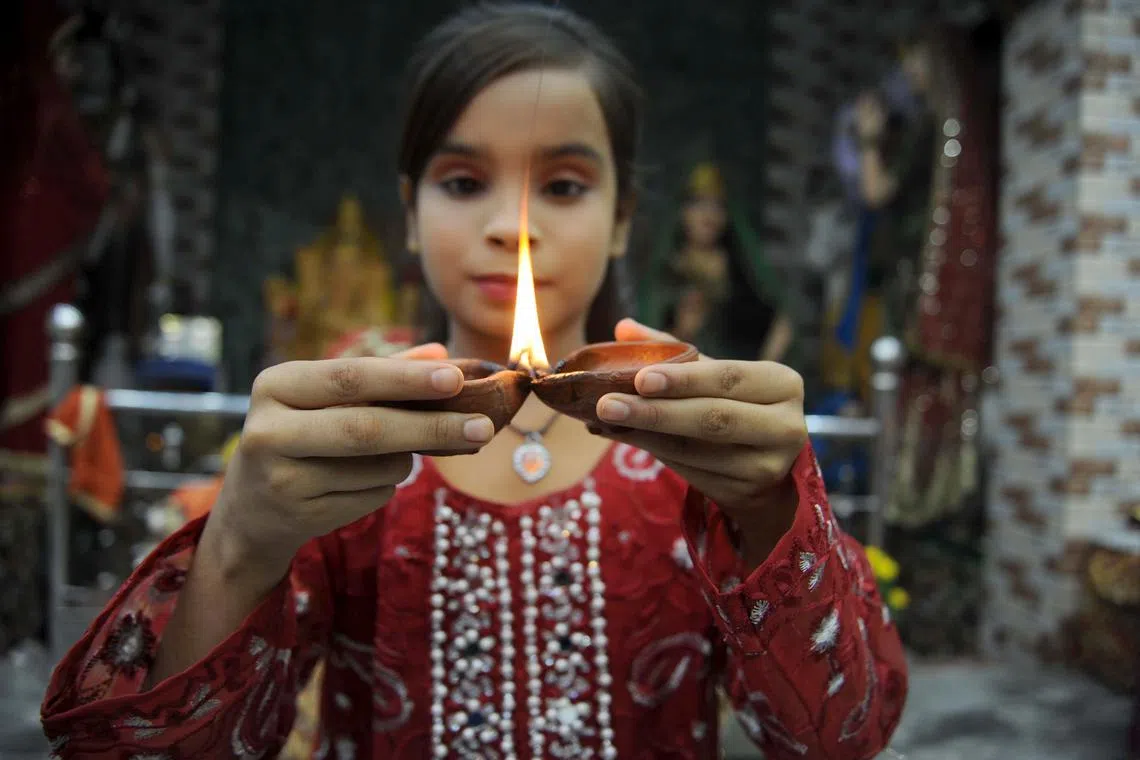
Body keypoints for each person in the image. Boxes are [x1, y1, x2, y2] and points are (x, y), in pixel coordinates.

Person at [40, 5, 907, 758]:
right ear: (409, 214)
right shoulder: (340, 460)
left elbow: (839, 740)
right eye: (463, 182)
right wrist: (238, 547)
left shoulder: (697, 461)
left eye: (563, 185)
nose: (509, 229)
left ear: (623, 222)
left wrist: (768, 513)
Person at [641, 161, 795, 364]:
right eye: (699, 203)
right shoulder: (670, 265)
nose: (709, 215)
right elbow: (652, 331)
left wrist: (764, 366)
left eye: (718, 206)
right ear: (682, 210)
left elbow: (779, 319)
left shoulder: (740, 267)